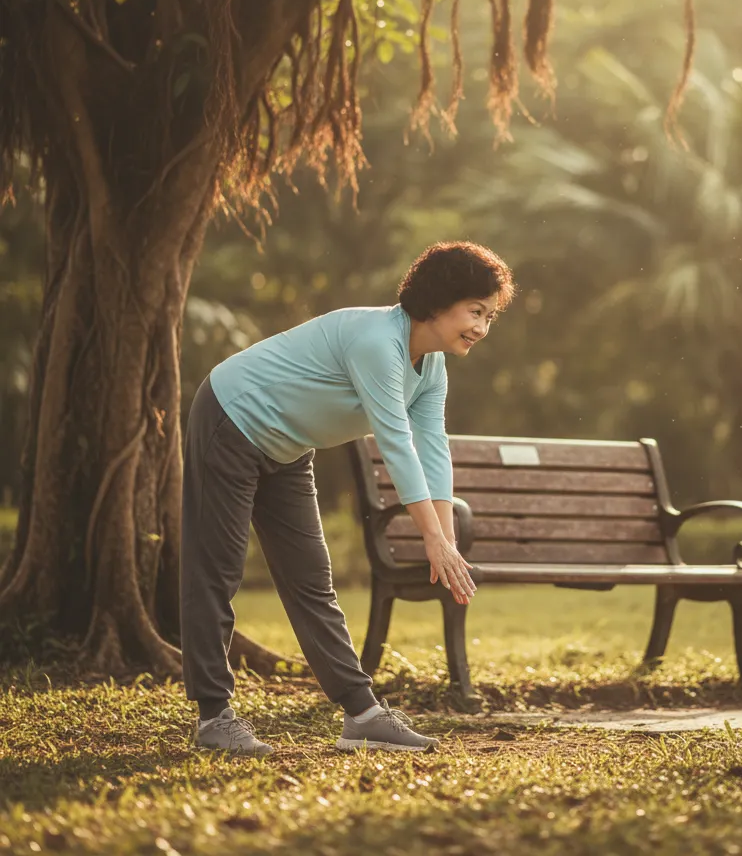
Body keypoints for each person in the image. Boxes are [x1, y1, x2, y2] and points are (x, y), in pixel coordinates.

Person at [179, 241, 516, 755]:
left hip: (289, 447)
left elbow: (433, 449)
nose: (482, 328)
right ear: (439, 300)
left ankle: (362, 715)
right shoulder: (378, 341)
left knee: (311, 581)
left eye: (489, 316)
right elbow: (396, 443)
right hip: (231, 417)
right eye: (476, 311)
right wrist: (430, 537)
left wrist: (446, 541)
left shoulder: (432, 368)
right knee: (217, 572)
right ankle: (213, 718)